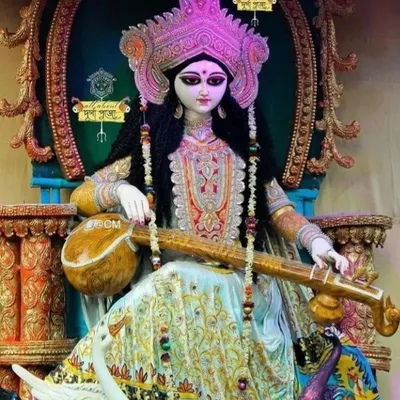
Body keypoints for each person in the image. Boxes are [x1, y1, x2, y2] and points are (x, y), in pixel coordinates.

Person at [14, 1, 380, 399]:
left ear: (229, 85)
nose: (204, 90)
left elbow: (280, 209)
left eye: (215, 79)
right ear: (171, 82)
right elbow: (84, 195)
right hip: (170, 286)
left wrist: (319, 244)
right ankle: (74, 383)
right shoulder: (153, 149)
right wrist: (120, 189)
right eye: (191, 79)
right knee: (168, 282)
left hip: (241, 287)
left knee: (171, 281)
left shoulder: (243, 152)